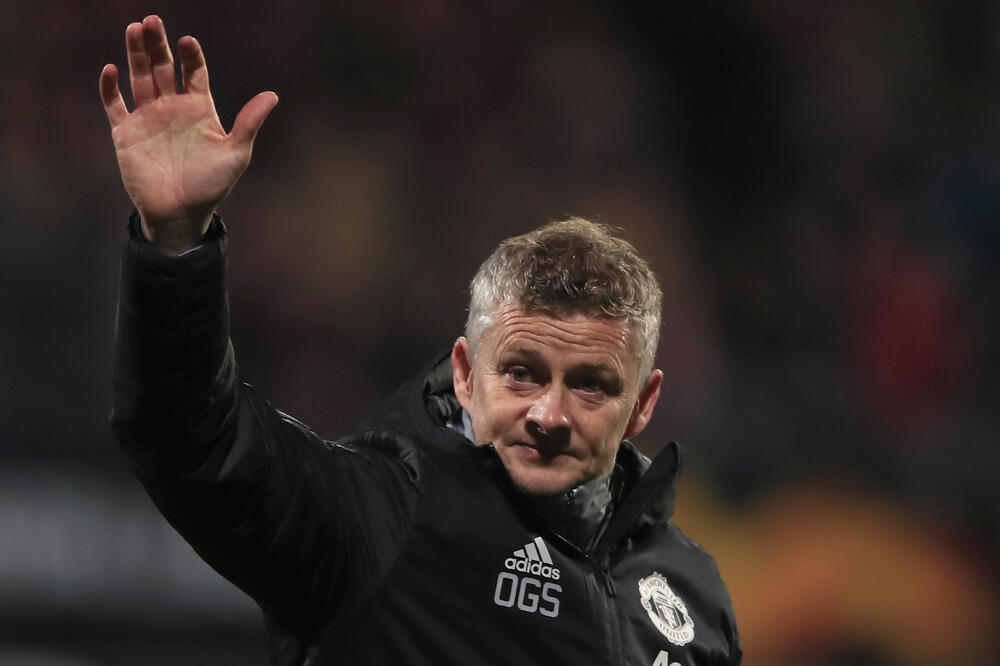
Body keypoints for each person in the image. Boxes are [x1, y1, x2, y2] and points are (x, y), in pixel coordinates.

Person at [102, 15, 741, 666]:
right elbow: (191, 437)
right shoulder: (383, 518)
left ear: (642, 402)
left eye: (590, 385)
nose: (549, 414)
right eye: (522, 373)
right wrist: (176, 245)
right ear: (465, 373)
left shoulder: (693, 593)